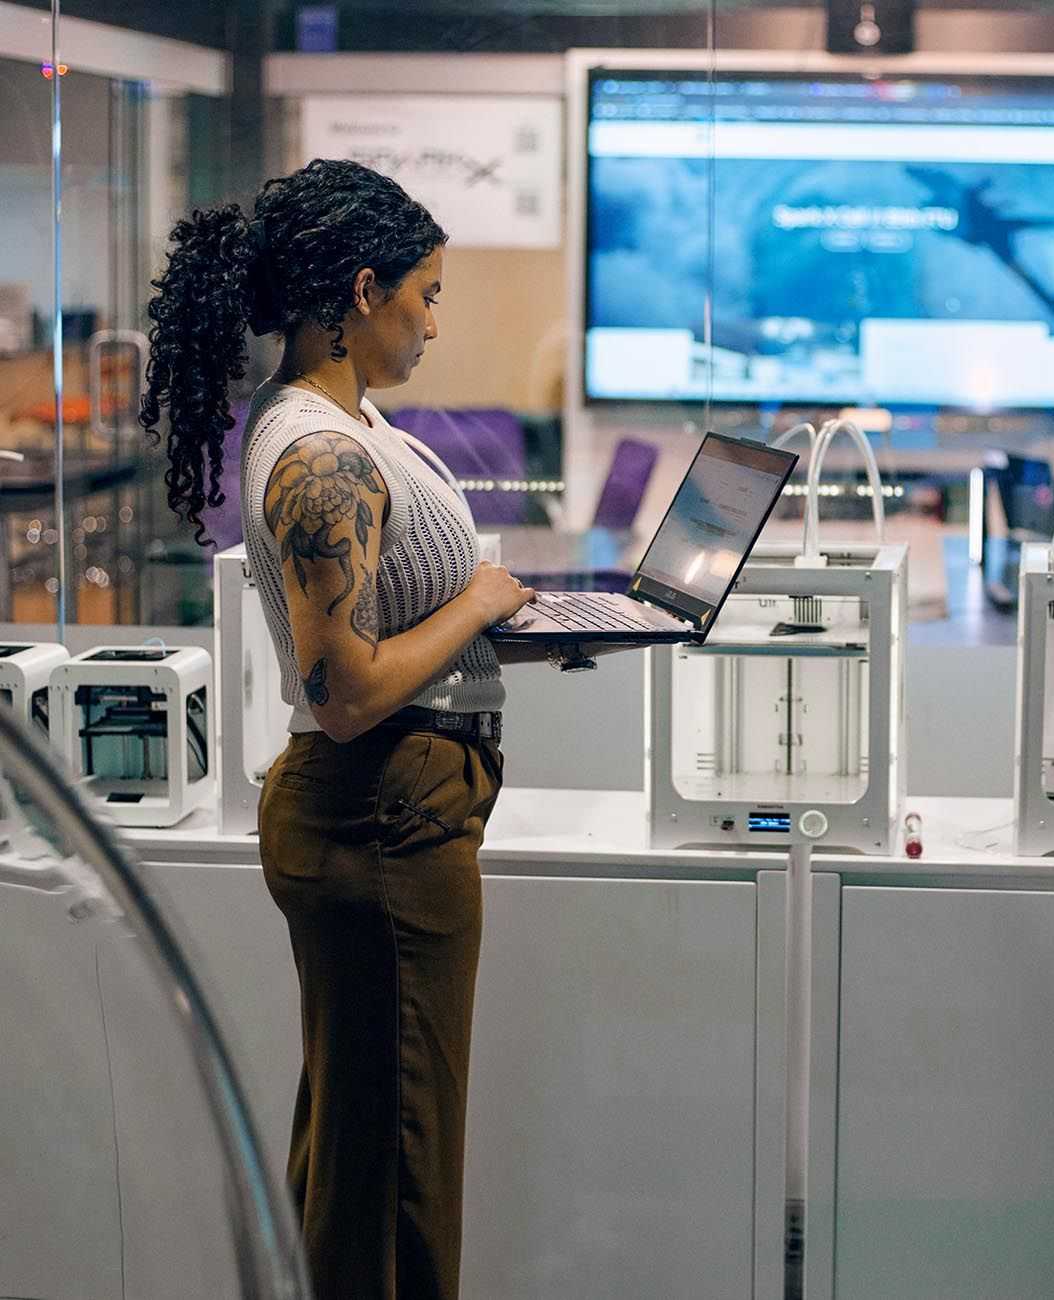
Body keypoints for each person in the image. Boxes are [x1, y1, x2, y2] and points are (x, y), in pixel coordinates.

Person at [139, 158, 582, 1300]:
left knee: (370, 1151)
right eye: (425, 295)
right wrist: (483, 601)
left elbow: (382, 630)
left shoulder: (347, 423)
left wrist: (504, 622)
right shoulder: (319, 452)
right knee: (394, 1175)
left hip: (394, 816)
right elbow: (342, 689)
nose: (435, 322)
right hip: (380, 816)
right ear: (363, 287)